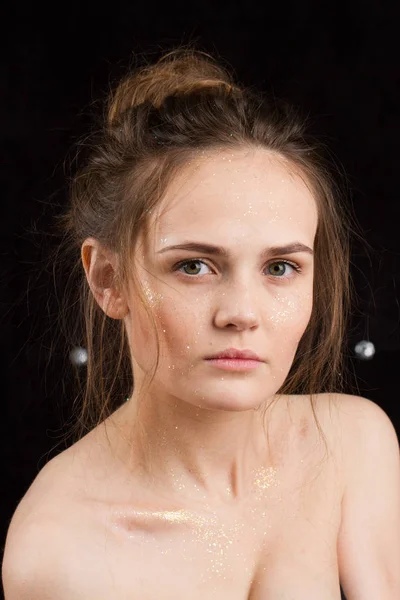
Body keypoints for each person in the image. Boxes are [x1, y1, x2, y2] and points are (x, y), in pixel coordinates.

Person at [2, 46, 400, 600]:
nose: (241, 312)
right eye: (193, 266)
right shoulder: (65, 552)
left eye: (281, 267)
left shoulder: (352, 445)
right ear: (108, 280)